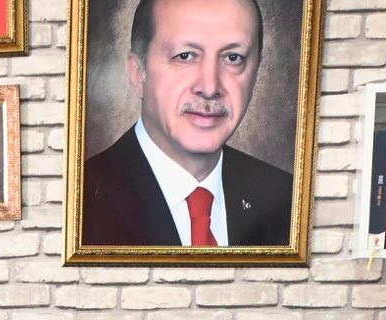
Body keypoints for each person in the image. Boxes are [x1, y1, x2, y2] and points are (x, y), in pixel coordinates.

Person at [81, 0, 292, 248]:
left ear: (256, 73)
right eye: (185, 56)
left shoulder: (286, 199)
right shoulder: (82, 200)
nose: (210, 87)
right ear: (138, 73)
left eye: (233, 58)